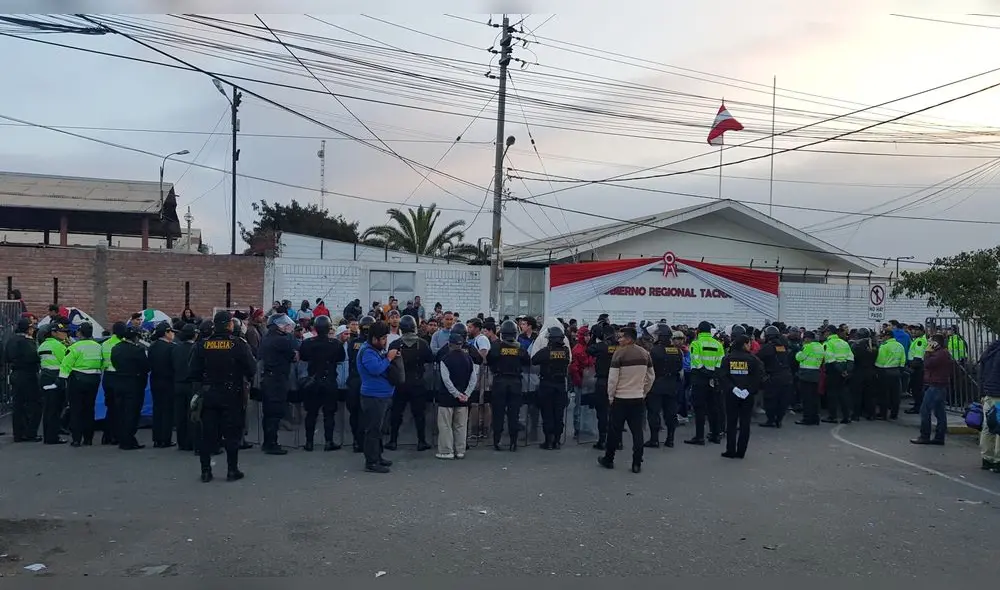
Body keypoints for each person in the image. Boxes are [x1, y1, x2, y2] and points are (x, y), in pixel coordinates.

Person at [188, 311, 256, 482]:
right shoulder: (238, 344)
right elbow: (251, 368)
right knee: (232, 434)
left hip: (209, 393)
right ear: (229, 325)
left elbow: (193, 371)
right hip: (232, 394)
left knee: (207, 433)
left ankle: (205, 472)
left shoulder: (202, 344)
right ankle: (232, 470)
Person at [597, 326, 654, 473]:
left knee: (614, 430)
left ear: (629, 338)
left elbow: (613, 379)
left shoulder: (618, 354)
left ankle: (609, 459)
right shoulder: (645, 354)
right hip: (637, 398)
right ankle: (637, 463)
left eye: (621, 337)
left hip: (621, 398)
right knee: (637, 432)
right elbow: (651, 376)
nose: (618, 339)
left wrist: (611, 396)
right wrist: (643, 391)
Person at [386, 315, 434, 451]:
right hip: (418, 382)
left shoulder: (395, 344)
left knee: (396, 413)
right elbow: (430, 359)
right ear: (414, 327)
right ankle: (421, 441)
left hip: (400, 383)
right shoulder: (422, 343)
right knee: (419, 414)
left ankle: (393, 441)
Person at [299, 315, 345, 452]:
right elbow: (341, 359)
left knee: (311, 413)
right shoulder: (335, 344)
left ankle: (309, 442)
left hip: (312, 380)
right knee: (329, 414)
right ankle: (329, 441)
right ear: (329, 328)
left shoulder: (307, 343)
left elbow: (304, 357)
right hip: (329, 381)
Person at [357, 321, 397, 473]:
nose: (385, 341)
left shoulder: (376, 349)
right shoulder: (367, 351)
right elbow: (375, 369)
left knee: (379, 430)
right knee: (373, 430)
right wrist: (389, 359)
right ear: (374, 338)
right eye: (383, 338)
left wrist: (387, 355)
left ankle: (378, 456)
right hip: (373, 396)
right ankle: (371, 462)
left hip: (383, 396)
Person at [718, 335, 765, 459]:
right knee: (745, 423)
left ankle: (730, 450)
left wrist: (733, 388)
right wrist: (748, 390)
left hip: (731, 394)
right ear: (744, 344)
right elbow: (759, 376)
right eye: (749, 343)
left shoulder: (727, 358)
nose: (750, 346)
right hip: (747, 395)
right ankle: (741, 451)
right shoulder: (753, 359)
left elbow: (722, 376)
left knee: (732, 422)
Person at [436, 324, 478, 460]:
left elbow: (446, 380)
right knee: (461, 426)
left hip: (446, 398)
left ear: (449, 343)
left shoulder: (445, 359)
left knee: (445, 425)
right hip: (464, 399)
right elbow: (473, 378)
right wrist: (466, 394)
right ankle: (460, 450)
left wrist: (456, 394)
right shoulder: (469, 359)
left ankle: (446, 451)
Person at [59, 321, 104, 447]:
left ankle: (76, 439)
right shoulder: (98, 346)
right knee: (89, 409)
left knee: (76, 409)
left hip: (77, 379)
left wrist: (62, 379)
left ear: (80, 333)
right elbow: (102, 362)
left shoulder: (75, 347)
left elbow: (66, 365)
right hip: (94, 380)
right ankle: (88, 438)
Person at [488, 319, 530, 451]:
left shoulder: (496, 346)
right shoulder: (519, 347)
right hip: (515, 382)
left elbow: (489, 360)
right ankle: (513, 442)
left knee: (498, 413)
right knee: (514, 414)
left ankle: (497, 441)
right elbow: (527, 361)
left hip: (499, 381)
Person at [532, 325, 571, 450]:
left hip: (547, 385)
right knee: (558, 414)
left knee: (547, 413)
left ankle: (548, 441)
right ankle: (557, 441)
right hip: (560, 386)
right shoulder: (565, 352)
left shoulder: (546, 352)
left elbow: (534, 360)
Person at [685, 321, 724, 446]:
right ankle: (715, 434)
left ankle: (699, 436)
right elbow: (720, 361)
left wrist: (705, 371)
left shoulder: (695, 344)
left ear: (698, 331)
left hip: (699, 379)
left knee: (699, 408)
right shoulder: (718, 344)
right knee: (713, 408)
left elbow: (696, 360)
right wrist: (713, 374)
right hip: (713, 379)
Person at [112, 325, 150, 450]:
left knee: (121, 411)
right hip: (134, 383)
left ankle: (122, 438)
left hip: (118, 381)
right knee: (132, 413)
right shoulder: (137, 350)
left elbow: (114, 363)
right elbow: (145, 367)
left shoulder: (116, 348)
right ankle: (128, 439)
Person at [645, 326, 684, 448]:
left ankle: (654, 439)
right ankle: (670, 439)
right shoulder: (677, 351)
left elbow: (649, 369)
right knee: (671, 414)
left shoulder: (654, 351)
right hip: (672, 385)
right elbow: (679, 368)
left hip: (656, 385)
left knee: (654, 413)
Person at [5, 318, 41, 442]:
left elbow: (6, 357)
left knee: (17, 405)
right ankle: (30, 433)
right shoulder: (27, 341)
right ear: (27, 329)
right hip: (28, 375)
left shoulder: (11, 340)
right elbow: (34, 357)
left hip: (15, 374)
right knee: (32, 404)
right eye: (31, 328)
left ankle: (18, 434)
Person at [911, 334, 951, 446]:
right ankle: (939, 437)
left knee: (925, 410)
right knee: (939, 412)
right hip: (937, 384)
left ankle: (925, 436)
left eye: (930, 342)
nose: (928, 344)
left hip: (935, 385)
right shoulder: (942, 353)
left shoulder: (940, 354)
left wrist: (928, 352)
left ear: (935, 343)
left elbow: (928, 364)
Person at [587, 323, 619, 450]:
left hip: (602, 381)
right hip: (617, 382)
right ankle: (618, 440)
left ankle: (602, 440)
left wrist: (593, 337)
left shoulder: (600, 347)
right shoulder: (619, 347)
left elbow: (588, 349)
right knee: (616, 413)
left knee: (602, 412)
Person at [38, 320, 70, 445]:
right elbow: (66, 361)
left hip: (45, 377)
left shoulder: (42, 345)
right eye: (62, 332)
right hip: (56, 377)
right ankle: (53, 437)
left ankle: (48, 435)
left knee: (48, 408)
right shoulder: (59, 346)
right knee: (55, 409)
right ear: (54, 333)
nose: (65, 334)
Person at [347, 316, 374, 453]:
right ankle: (364, 442)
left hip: (354, 381)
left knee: (355, 414)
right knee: (367, 415)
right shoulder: (373, 345)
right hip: (367, 382)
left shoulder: (353, 343)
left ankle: (356, 442)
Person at [757, 325, 793, 428]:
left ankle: (771, 420)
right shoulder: (784, 346)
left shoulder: (768, 347)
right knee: (783, 399)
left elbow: (757, 358)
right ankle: (779, 419)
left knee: (770, 399)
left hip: (774, 377)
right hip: (787, 376)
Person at [148, 322, 176, 448]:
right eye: (172, 332)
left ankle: (157, 438)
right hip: (168, 381)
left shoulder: (152, 347)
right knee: (167, 410)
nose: (173, 334)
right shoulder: (171, 348)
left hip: (155, 380)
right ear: (166, 332)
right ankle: (165, 438)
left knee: (157, 409)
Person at [172, 323, 198, 452]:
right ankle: (191, 441)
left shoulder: (175, 348)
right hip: (191, 385)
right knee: (192, 414)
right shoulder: (195, 348)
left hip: (177, 383)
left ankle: (181, 442)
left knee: (180, 414)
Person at [821, 325, 854, 424]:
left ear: (828, 332)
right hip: (845, 368)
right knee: (844, 394)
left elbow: (830, 358)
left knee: (832, 394)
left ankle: (833, 416)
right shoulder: (844, 343)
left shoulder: (827, 344)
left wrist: (841, 371)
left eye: (825, 332)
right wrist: (847, 370)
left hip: (833, 370)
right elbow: (850, 357)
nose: (824, 334)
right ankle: (846, 417)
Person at [978, 339, 1000, 472]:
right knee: (999, 429)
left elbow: (981, 374)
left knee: (988, 426)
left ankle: (987, 458)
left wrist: (982, 393)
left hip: (988, 394)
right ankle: (998, 460)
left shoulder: (989, 352)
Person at [874, 328, 906, 421]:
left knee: (884, 394)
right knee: (895, 395)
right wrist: (901, 369)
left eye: (883, 336)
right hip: (896, 371)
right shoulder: (900, 345)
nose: (882, 338)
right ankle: (894, 414)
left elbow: (880, 360)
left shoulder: (884, 346)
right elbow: (903, 359)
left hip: (885, 371)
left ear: (887, 336)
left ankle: (883, 414)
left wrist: (877, 370)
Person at [794, 331, 824, 426]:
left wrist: (799, 351)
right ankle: (815, 417)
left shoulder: (808, 346)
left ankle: (807, 418)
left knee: (806, 398)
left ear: (807, 338)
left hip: (806, 374)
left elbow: (799, 357)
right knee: (814, 397)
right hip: (816, 373)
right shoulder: (820, 346)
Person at [850, 328, 877, 421]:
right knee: (870, 395)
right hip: (871, 371)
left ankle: (856, 415)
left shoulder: (856, 346)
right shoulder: (874, 345)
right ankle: (871, 414)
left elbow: (852, 358)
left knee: (857, 394)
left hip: (858, 372)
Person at [905, 324, 928, 415]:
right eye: (912, 330)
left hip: (917, 368)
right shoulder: (917, 340)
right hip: (917, 367)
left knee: (917, 389)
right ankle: (918, 405)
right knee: (916, 388)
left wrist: (910, 366)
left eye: (916, 330)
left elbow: (918, 358)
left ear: (922, 331)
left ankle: (918, 407)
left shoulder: (920, 341)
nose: (914, 331)